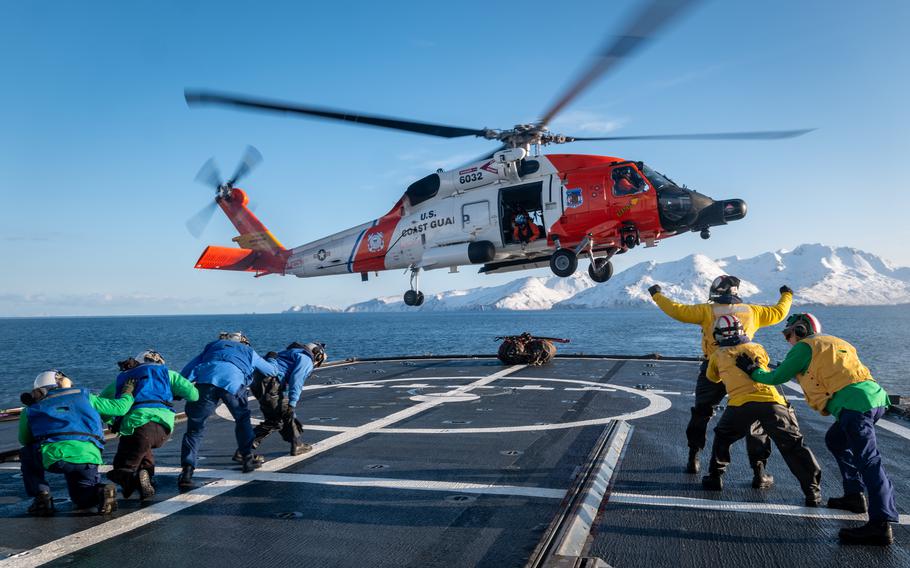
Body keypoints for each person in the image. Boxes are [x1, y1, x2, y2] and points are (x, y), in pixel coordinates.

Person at [737, 313, 898, 546]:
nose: (787, 339)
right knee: (836, 440)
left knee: (869, 462)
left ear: (800, 330)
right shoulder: (837, 342)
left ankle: (881, 524)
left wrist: (753, 371)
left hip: (854, 406)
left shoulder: (804, 347)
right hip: (875, 399)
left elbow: (776, 377)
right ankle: (854, 496)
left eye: (788, 334)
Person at [648, 276, 793, 480]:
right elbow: (780, 312)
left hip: (715, 363)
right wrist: (787, 294)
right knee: (755, 416)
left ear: (715, 292)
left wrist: (657, 295)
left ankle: (694, 457)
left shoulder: (707, 311)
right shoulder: (753, 311)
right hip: (747, 367)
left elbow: (676, 310)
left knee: (702, 412)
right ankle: (759, 471)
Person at [701, 315, 822, 506]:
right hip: (772, 402)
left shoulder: (717, 355)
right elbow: (764, 362)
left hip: (739, 404)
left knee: (723, 436)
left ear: (718, 334)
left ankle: (715, 477)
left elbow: (712, 378)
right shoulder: (756, 348)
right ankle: (810, 491)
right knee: (792, 446)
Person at [18, 369, 135, 516]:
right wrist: (127, 392)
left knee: (26, 452)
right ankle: (100, 491)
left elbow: (24, 439)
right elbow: (120, 408)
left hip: (54, 457)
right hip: (87, 456)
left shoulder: (30, 409)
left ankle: (42, 496)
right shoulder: (86, 397)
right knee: (82, 499)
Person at [178, 332, 278, 490]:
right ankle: (246, 458)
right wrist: (272, 358)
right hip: (233, 383)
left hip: (205, 383)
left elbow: (189, 369)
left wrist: (179, 389)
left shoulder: (212, 346)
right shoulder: (248, 350)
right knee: (242, 419)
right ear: (243, 341)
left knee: (194, 428)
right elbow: (271, 371)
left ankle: (187, 472)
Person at [101, 350, 199, 500]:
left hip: (137, 426)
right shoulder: (168, 374)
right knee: (143, 449)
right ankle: (146, 476)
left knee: (122, 465)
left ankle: (132, 480)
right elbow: (193, 395)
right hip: (164, 428)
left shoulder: (128, 377)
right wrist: (173, 391)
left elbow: (104, 401)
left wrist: (110, 421)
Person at [246, 342, 327, 457]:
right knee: (276, 420)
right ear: (317, 356)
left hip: (258, 382)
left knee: (284, 415)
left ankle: (297, 443)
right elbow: (297, 380)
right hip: (271, 383)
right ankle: (243, 448)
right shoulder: (306, 359)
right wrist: (293, 403)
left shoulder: (288, 353)